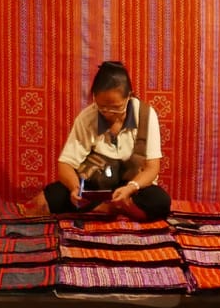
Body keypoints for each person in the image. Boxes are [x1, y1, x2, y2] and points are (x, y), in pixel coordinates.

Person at [44, 60, 172, 221]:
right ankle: (113, 209)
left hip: (133, 187)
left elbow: (152, 168)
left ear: (129, 96)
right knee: (54, 195)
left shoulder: (146, 115)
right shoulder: (87, 117)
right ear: (94, 98)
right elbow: (65, 164)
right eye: (102, 107)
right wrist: (75, 188)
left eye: (116, 108)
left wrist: (131, 188)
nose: (108, 113)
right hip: (98, 186)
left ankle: (109, 208)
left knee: (160, 202)